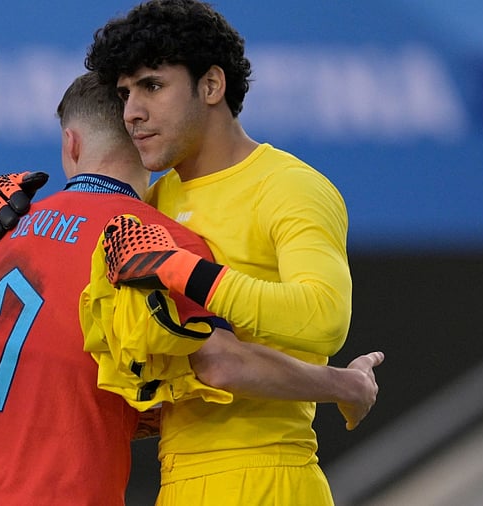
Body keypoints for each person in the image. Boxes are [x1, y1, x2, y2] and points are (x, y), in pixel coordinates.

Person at [0, 71, 382, 505]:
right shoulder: (150, 235)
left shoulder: (3, 230)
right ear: (136, 131)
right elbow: (217, 364)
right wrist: (345, 384)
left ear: (71, 144)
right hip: (72, 491)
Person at [84, 0, 358, 503]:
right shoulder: (152, 202)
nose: (131, 112)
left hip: (269, 476)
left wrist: (180, 270)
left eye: (152, 85)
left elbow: (324, 318)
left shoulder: (290, 187)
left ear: (211, 85)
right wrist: (19, 232)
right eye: (124, 94)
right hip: (176, 479)